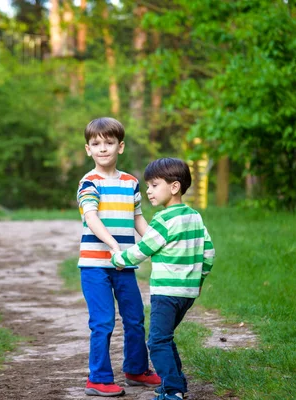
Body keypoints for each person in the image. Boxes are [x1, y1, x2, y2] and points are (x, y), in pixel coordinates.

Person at [111, 158, 216, 400]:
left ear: (174, 187)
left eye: (154, 185)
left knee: (157, 341)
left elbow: (143, 250)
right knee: (165, 337)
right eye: (148, 185)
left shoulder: (163, 220)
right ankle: (177, 383)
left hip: (167, 293)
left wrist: (118, 258)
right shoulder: (195, 218)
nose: (148, 190)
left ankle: (173, 391)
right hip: (187, 293)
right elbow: (209, 252)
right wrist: (199, 281)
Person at [77, 117, 161, 397]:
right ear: (88, 149)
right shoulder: (89, 183)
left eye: (109, 143)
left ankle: (136, 370)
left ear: (120, 147)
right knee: (102, 322)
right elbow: (92, 218)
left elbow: (137, 218)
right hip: (95, 266)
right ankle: (98, 379)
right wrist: (114, 246)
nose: (103, 148)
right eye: (96, 144)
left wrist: (156, 241)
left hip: (123, 265)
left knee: (135, 318)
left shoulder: (131, 183)